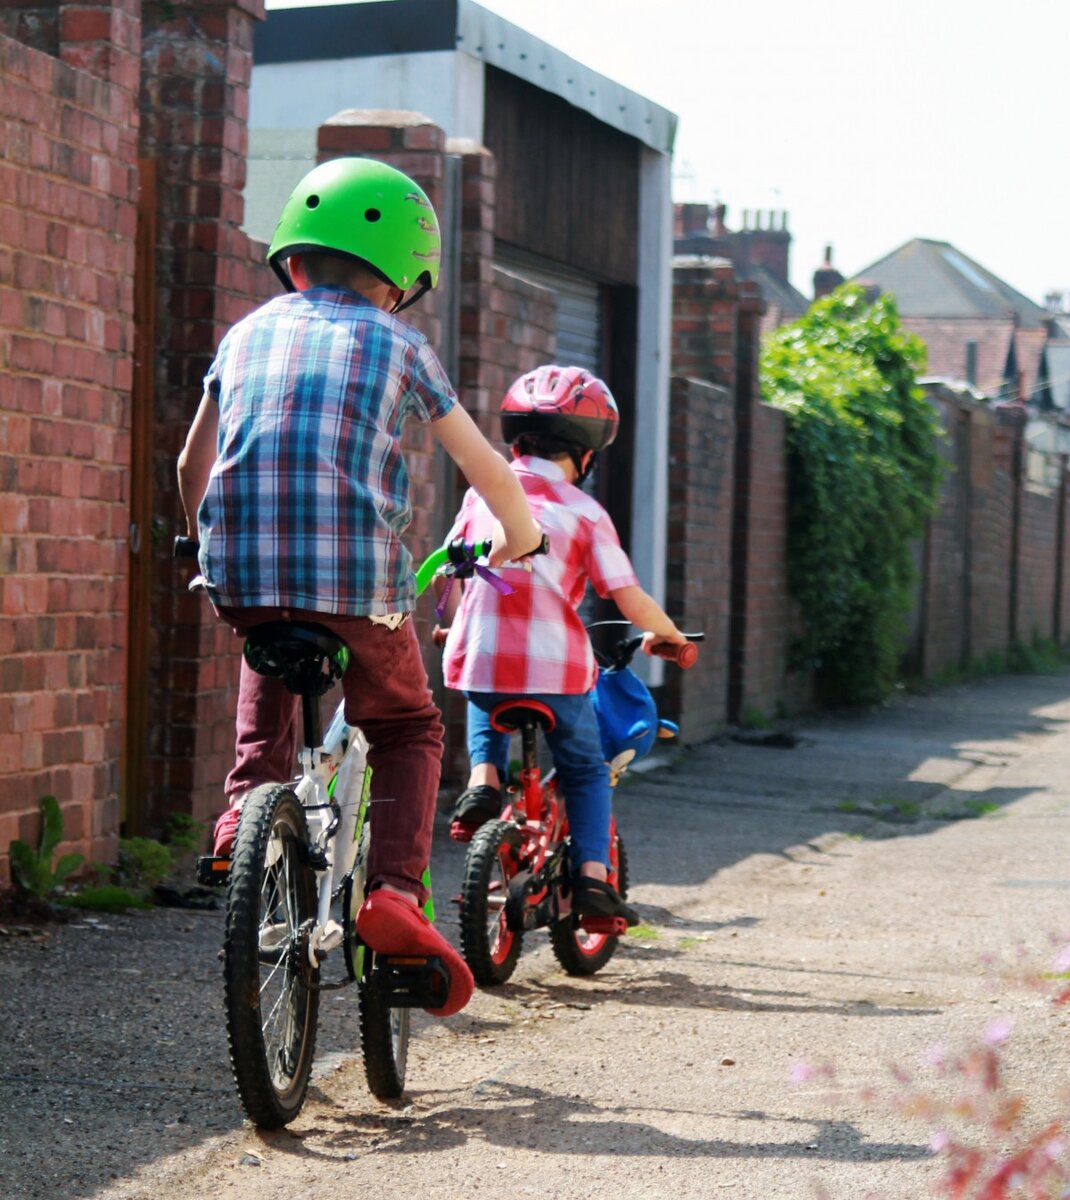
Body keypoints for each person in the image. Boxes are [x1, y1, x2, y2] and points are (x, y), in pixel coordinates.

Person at [176, 157, 543, 1017]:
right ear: (403, 284)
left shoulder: (245, 334)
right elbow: (486, 468)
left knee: (267, 641)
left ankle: (241, 818)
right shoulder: (401, 345)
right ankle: (393, 893)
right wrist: (522, 538)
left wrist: (200, 537)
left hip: (243, 572)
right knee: (410, 725)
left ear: (291, 262)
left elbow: (191, 460)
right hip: (358, 585)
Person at [437, 365, 687, 923]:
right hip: (556, 673)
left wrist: (453, 624)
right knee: (585, 769)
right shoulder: (585, 511)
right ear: (586, 456)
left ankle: (483, 781)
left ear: (518, 442)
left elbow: (451, 573)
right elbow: (625, 596)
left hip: (480, 654)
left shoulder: (482, 497)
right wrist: (667, 633)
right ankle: (594, 880)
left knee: (487, 694)